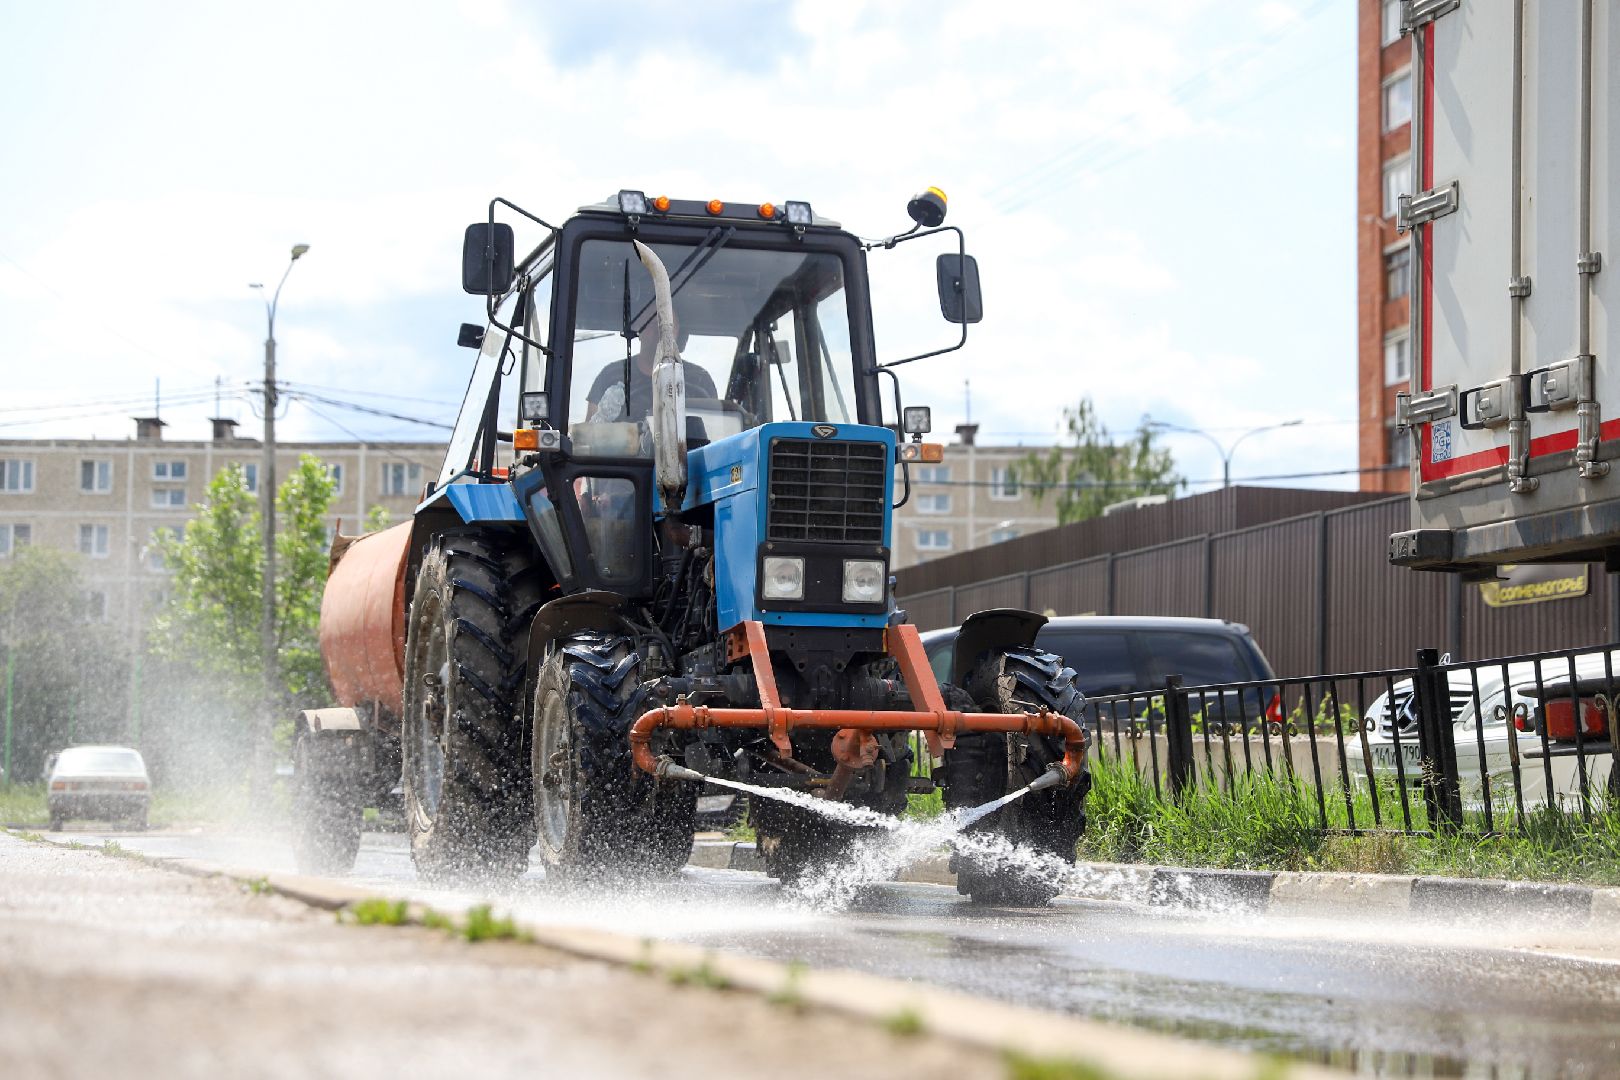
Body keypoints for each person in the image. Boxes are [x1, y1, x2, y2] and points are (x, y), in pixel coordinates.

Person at [585, 315, 718, 422]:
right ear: (639, 329)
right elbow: (590, 434)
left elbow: (714, 434)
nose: (660, 330)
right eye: (653, 323)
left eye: (668, 326)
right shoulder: (611, 376)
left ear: (677, 331)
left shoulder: (700, 380)